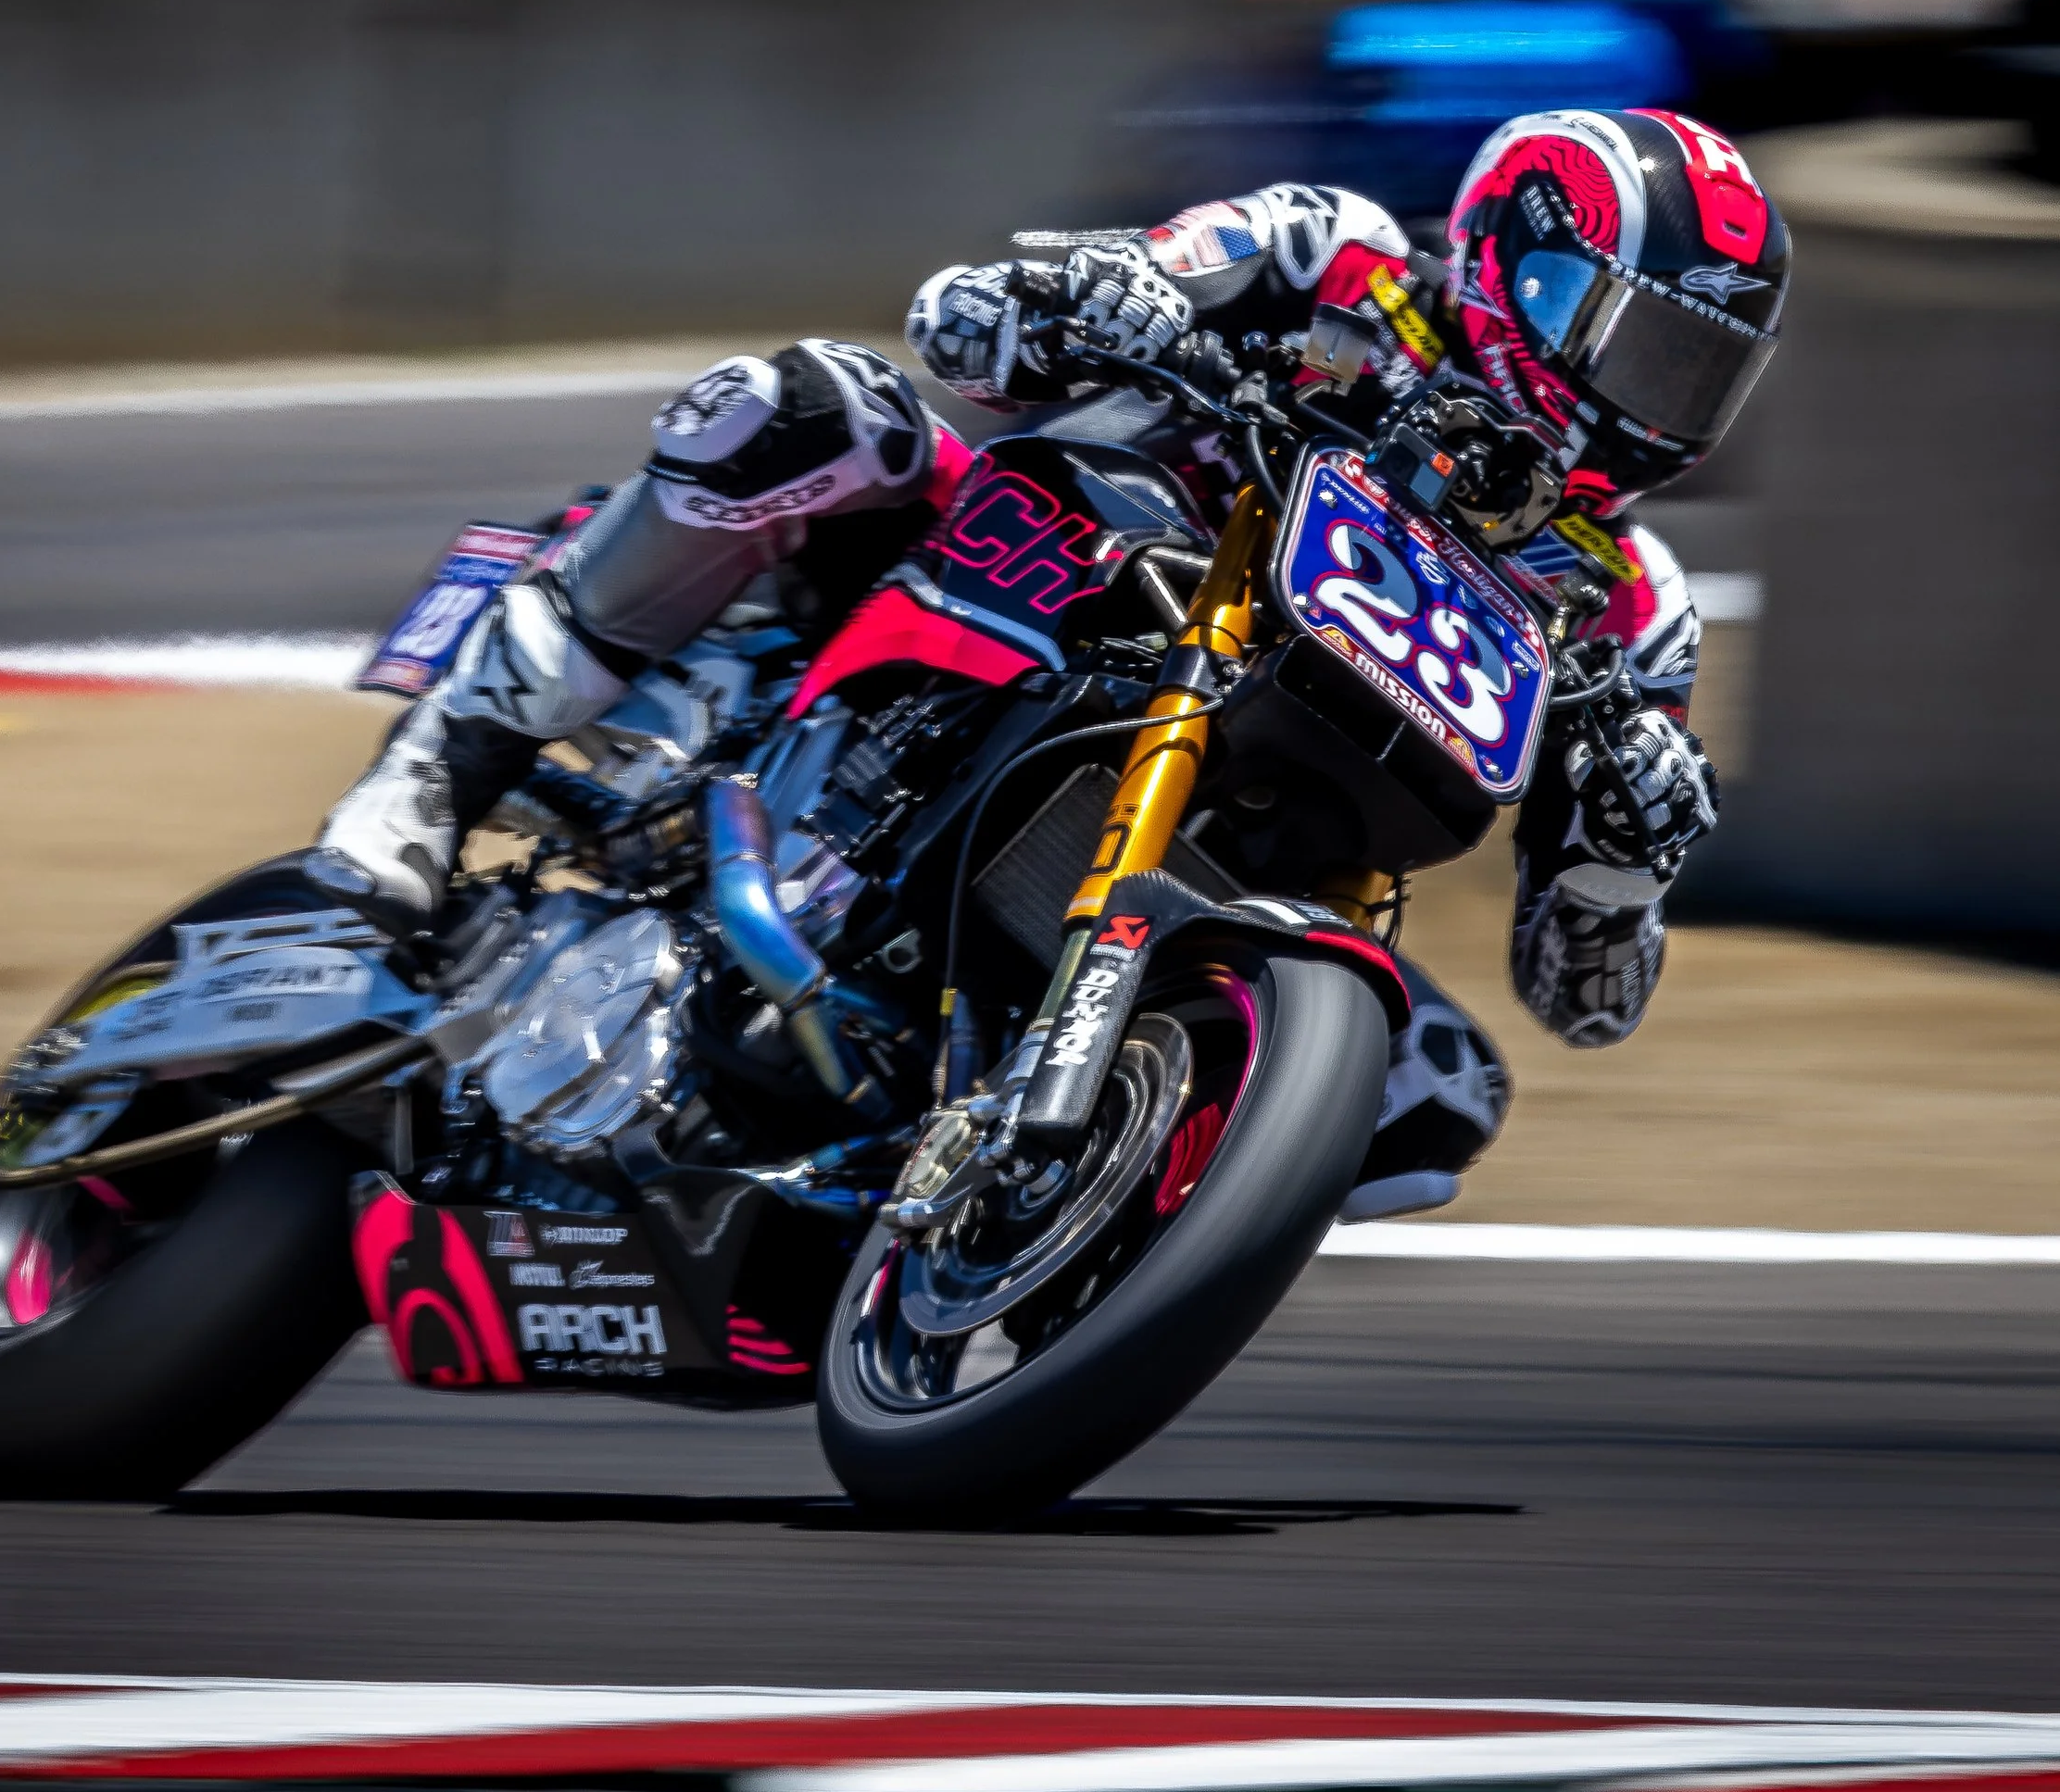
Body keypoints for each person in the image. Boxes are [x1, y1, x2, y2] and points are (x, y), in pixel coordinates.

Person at [311, 107, 1787, 1203]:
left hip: (1241, 823)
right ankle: (438, 774)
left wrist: (1615, 874)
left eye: (1701, 377)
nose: (1658, 408)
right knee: (805, 407)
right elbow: (983, 322)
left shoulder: (1630, 602)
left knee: (1436, 1098)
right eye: (1647, 350)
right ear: (1527, 272)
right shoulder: (1336, 257)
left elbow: (1586, 999)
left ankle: (1045, 1187)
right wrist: (1091, 295)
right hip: (1022, 586)